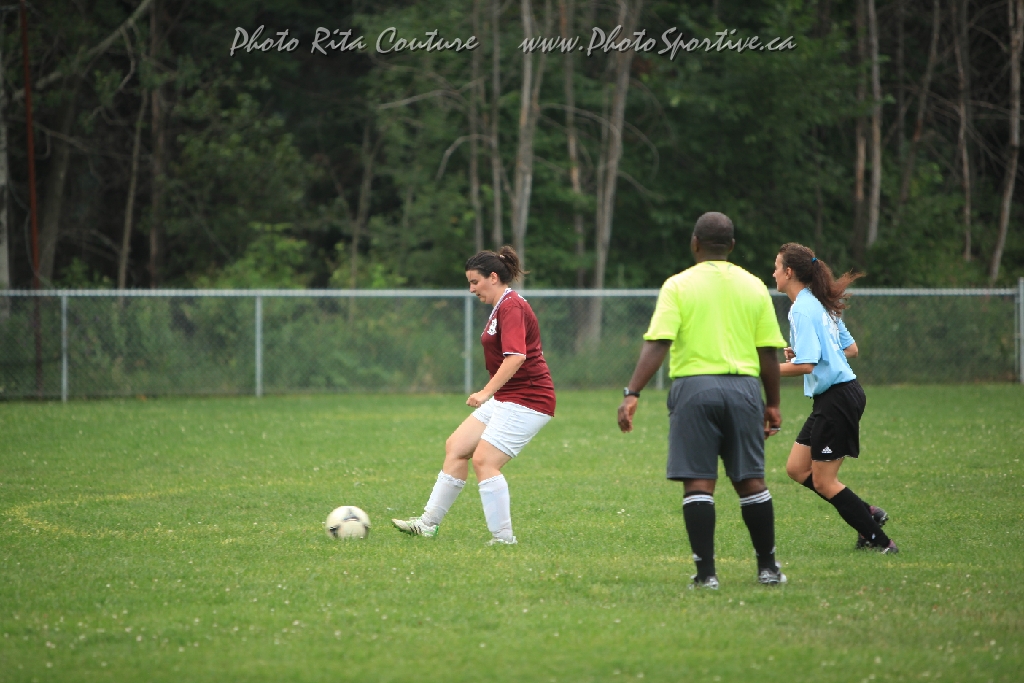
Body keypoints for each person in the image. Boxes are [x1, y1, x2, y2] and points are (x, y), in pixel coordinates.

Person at [617, 212, 788, 589]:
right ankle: (767, 569)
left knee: (698, 483)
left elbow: (659, 342)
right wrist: (772, 403)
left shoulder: (678, 285)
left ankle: (707, 574)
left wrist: (633, 392)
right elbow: (767, 352)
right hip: (744, 390)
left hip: (694, 390)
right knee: (751, 481)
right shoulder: (754, 286)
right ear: (732, 246)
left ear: (694, 244)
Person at [392, 246, 556, 545]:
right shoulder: (502, 305)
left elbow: (516, 356)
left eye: (474, 282)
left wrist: (485, 392)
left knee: (484, 461)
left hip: (529, 399)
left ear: (493, 277)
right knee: (456, 447)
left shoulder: (512, 306)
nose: (471, 289)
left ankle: (503, 539)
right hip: (509, 397)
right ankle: (427, 524)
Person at [772, 242, 897, 554]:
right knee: (797, 469)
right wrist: (803, 353)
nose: (773, 273)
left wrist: (762, 371)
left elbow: (807, 365)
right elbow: (849, 349)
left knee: (824, 481)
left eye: (776, 267)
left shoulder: (802, 308)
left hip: (838, 397)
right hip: (835, 396)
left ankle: (881, 543)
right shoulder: (818, 302)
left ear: (789, 272)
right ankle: (868, 514)